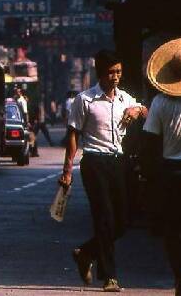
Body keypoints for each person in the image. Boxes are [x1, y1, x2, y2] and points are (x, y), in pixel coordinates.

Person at [60, 49, 148, 292]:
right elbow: (74, 135)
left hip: (119, 163)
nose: (115, 77)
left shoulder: (125, 99)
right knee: (104, 218)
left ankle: (86, 253)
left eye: (119, 71)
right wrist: (67, 170)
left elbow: (146, 110)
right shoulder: (85, 100)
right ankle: (110, 276)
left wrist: (136, 110)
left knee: (123, 220)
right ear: (100, 74)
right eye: (111, 72)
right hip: (94, 164)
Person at [141, 38, 181, 295]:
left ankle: (179, 277)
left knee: (172, 230)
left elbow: (150, 142)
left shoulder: (159, 103)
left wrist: (147, 175)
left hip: (170, 174)